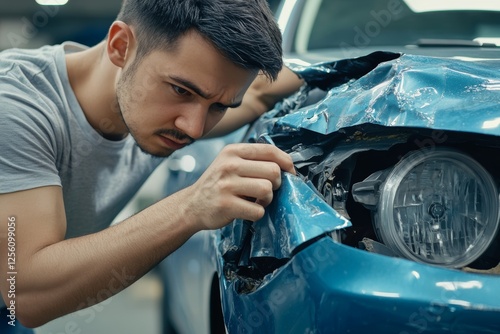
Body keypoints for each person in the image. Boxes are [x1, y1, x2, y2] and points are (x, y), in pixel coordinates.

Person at [0, 0, 303, 332]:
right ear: (121, 46)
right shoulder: (15, 107)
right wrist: (191, 206)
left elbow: (261, 94)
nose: (194, 129)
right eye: (180, 90)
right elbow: (23, 293)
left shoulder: (161, 101)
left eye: (219, 106)